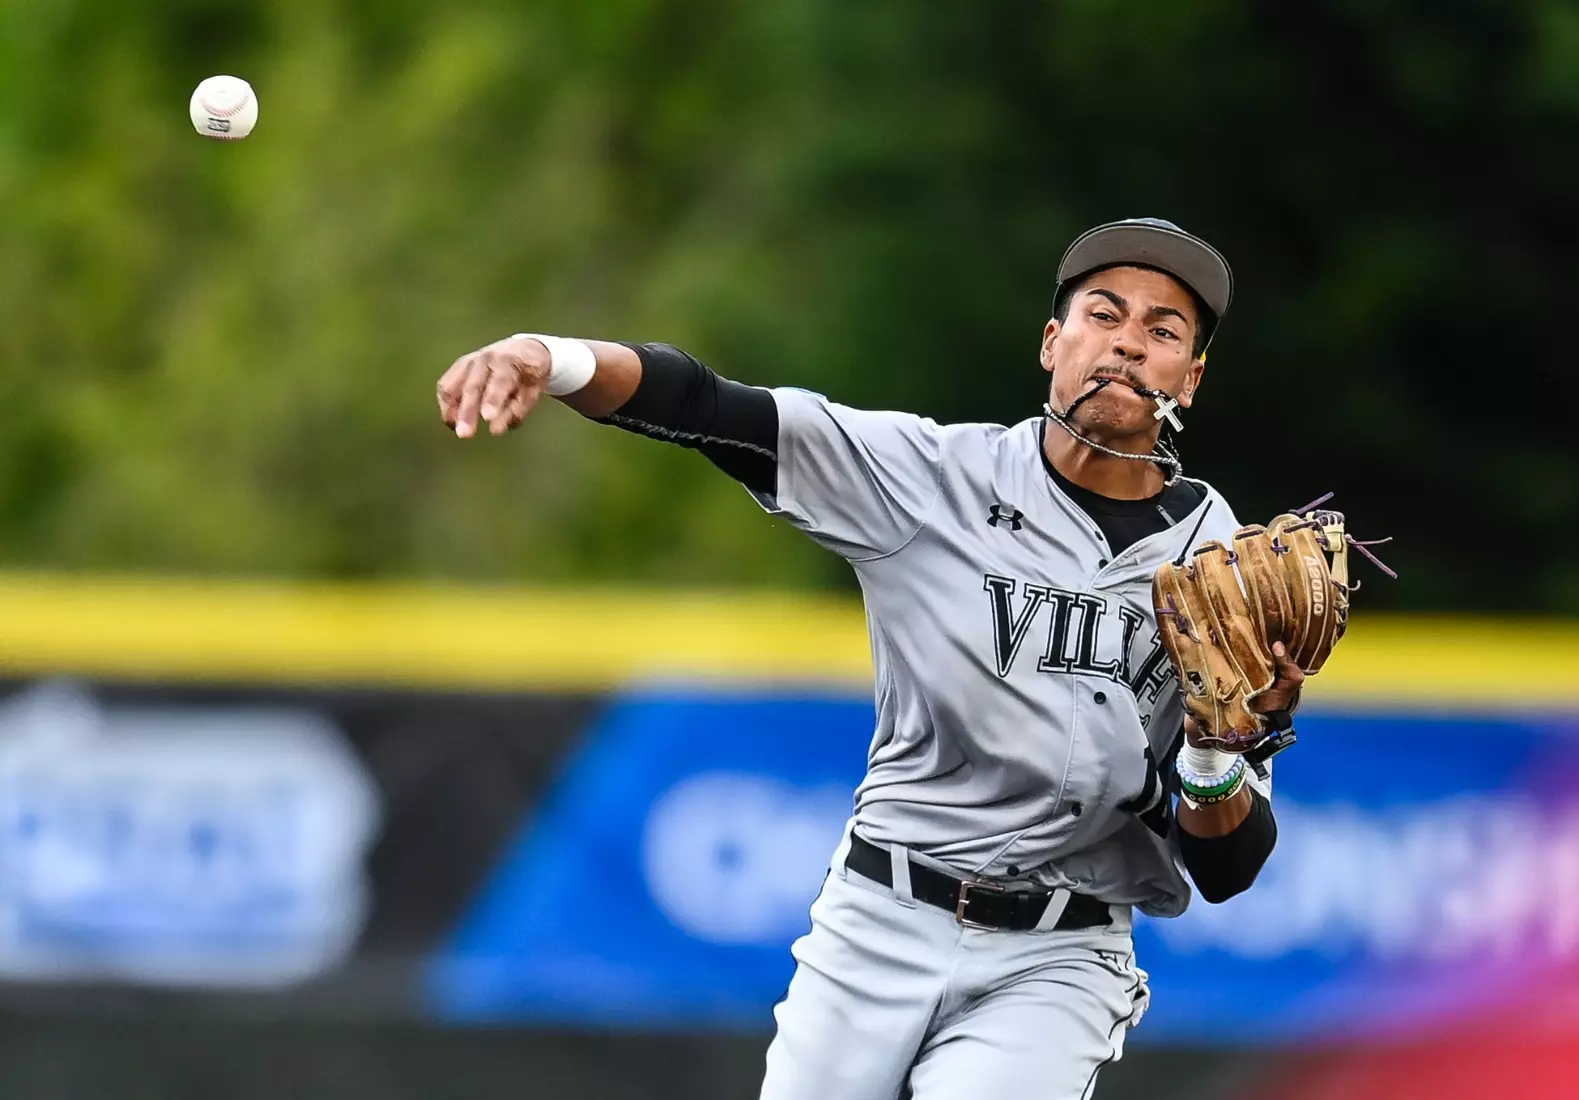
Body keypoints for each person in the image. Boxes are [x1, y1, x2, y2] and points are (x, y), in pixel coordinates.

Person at [436, 218, 1304, 1099]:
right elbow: (711, 407)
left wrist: (1210, 751)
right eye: (1103, 312)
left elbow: (1228, 869)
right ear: (1054, 342)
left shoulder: (1226, 569)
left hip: (1059, 955)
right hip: (881, 916)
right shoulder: (931, 478)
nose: (1126, 342)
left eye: (1163, 331)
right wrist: (548, 356)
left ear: (1189, 380)